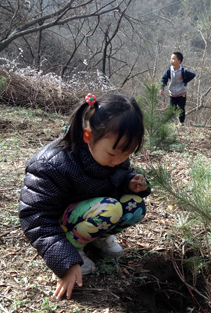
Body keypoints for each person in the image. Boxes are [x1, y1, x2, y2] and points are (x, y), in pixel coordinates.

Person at [19, 93, 151, 300]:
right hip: (60, 223)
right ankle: (73, 246)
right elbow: (36, 217)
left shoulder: (114, 157)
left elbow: (119, 176)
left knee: (135, 206)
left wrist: (130, 182)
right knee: (111, 208)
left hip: (89, 212)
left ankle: (97, 239)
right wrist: (64, 262)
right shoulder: (52, 163)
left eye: (127, 154)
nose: (120, 161)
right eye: (113, 154)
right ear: (88, 136)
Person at [160, 52, 196, 124]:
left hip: (181, 93)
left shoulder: (183, 71)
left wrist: (185, 81)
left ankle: (181, 122)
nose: (171, 60)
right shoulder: (169, 70)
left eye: (173, 59)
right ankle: (170, 123)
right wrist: (162, 88)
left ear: (179, 61)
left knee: (181, 108)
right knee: (172, 108)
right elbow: (164, 79)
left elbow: (193, 75)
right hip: (172, 93)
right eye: (171, 59)